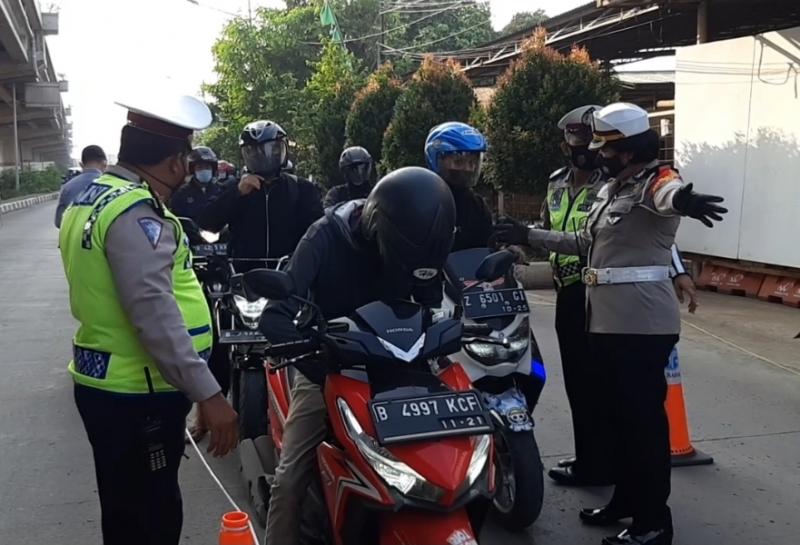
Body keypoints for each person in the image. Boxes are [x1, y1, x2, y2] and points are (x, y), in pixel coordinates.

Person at [493, 103, 727, 545]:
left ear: (630, 149)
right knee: (618, 420)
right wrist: (527, 235)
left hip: (641, 325)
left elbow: (668, 194)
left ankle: (653, 522)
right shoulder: (612, 190)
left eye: (607, 147)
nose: (598, 154)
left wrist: (687, 201)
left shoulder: (655, 182)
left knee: (643, 427)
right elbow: (583, 242)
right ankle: (625, 502)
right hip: (603, 322)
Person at [58, 94, 239, 545]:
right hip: (140, 394)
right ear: (176, 163)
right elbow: (154, 318)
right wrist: (210, 395)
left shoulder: (91, 199)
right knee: (153, 520)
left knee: (126, 511)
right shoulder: (135, 214)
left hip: (112, 385)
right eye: (185, 158)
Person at [259, 167, 456, 545]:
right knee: (289, 479)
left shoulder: (421, 241)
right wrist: (320, 360)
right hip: (329, 367)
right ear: (378, 230)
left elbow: (430, 303)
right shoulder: (322, 237)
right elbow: (276, 315)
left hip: (399, 365)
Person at [199, 120, 323, 269]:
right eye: (255, 152)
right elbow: (207, 222)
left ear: (281, 149)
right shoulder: (234, 187)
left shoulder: (301, 188)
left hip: (290, 276)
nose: (264, 157)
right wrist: (237, 193)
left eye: (271, 149)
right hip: (244, 278)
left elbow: (317, 234)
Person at [424, 122, 493, 251]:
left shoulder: (477, 206)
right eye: (458, 162)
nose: (467, 169)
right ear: (436, 159)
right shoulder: (421, 200)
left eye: (472, 163)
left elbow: (486, 245)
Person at [55, 145, 108, 227]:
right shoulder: (112, 187)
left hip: (73, 238)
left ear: (81, 164)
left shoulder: (67, 187)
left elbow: (59, 222)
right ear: (105, 164)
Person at [170, 146, 226, 221]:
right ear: (193, 170)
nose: (204, 170)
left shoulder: (222, 190)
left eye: (207, 167)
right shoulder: (181, 193)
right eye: (200, 167)